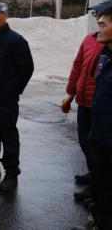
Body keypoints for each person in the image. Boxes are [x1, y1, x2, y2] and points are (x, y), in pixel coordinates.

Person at [0, 2, 34, 192]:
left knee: (8, 136)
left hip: (6, 100)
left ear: (5, 16)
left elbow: (27, 69)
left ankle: (11, 173)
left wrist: (14, 90)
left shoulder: (16, 41)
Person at [72, 0, 112, 230]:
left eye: (102, 22)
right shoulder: (104, 54)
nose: (98, 25)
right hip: (100, 131)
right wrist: (71, 92)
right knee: (102, 180)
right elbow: (78, 66)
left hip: (108, 139)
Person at [62, 31, 103, 203]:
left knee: (100, 148)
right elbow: (78, 66)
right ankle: (94, 175)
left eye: (103, 18)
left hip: (101, 105)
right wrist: (70, 93)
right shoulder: (90, 39)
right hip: (83, 102)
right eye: (97, 17)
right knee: (85, 141)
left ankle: (98, 188)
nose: (99, 21)